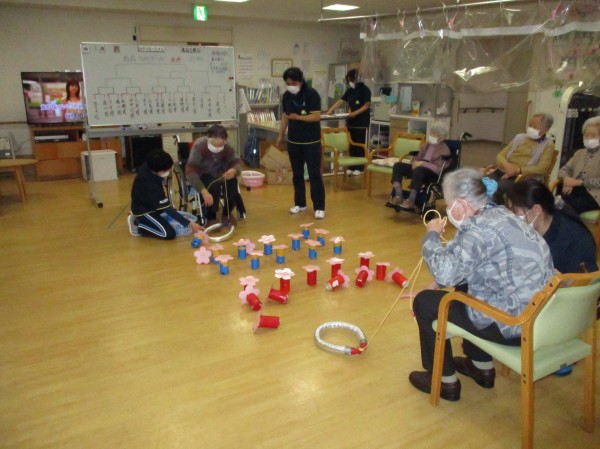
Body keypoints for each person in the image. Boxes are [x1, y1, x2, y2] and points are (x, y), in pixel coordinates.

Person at [409, 168, 553, 402]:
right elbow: (473, 265)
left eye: (449, 204)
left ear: (461, 203)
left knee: (424, 303)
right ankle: (481, 367)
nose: (448, 210)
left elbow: (446, 273)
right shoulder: (503, 215)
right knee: (466, 288)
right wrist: (437, 283)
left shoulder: (478, 229)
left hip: (515, 325)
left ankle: (443, 381)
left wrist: (431, 236)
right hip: (542, 318)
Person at [507, 178, 598, 274]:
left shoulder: (574, 241)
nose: (511, 215)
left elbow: (580, 280)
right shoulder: (538, 228)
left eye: (514, 211)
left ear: (536, 210)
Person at [275, 67, 326, 220]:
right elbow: (285, 116)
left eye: (292, 83)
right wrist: (280, 135)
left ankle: (319, 207)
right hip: (294, 141)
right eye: (287, 83)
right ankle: (300, 203)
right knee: (297, 174)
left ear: (300, 81)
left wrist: (298, 117)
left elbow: (316, 116)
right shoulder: (286, 96)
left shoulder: (311, 94)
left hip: (311, 141)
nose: (290, 86)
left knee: (314, 173)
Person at [129, 150, 203, 240]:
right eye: (166, 170)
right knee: (168, 234)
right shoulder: (150, 184)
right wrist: (189, 224)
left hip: (153, 205)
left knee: (173, 216)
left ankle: (148, 221)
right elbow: (167, 208)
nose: (169, 171)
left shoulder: (149, 165)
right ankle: (138, 225)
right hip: (144, 211)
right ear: (157, 170)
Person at [487, 112, 555, 204]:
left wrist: (518, 170)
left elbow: (542, 168)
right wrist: (506, 165)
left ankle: (498, 210)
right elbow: (500, 155)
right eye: (530, 125)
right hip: (504, 170)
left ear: (546, 129)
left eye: (535, 127)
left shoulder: (548, 145)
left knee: (497, 188)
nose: (531, 128)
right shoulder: (520, 137)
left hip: (523, 176)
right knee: (482, 183)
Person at [185, 124, 242, 227]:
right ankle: (211, 217)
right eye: (215, 146)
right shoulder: (199, 146)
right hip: (204, 173)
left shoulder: (227, 146)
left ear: (225, 141)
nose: (218, 148)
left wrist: (234, 170)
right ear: (209, 138)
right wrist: (203, 191)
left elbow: (236, 162)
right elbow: (191, 171)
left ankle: (227, 214)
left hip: (222, 173)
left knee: (232, 183)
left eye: (221, 146)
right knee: (213, 186)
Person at [387, 122, 450, 211]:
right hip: (419, 168)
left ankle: (411, 201)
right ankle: (398, 195)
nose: (432, 136)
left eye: (435, 134)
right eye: (431, 133)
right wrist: (415, 162)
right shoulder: (427, 144)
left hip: (431, 173)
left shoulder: (445, 150)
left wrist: (422, 163)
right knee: (398, 166)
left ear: (442, 137)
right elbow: (418, 156)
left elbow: (438, 169)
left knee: (419, 170)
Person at [326, 68, 371, 176]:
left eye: (350, 80)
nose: (349, 82)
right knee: (351, 145)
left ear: (356, 79)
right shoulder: (350, 90)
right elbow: (341, 100)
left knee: (359, 145)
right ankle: (351, 166)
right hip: (351, 122)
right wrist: (331, 109)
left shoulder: (365, 90)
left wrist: (355, 113)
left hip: (361, 122)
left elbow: (366, 106)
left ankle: (360, 167)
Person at [556, 116, 600, 214]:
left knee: (566, 208)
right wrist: (567, 180)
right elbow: (563, 170)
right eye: (586, 135)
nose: (588, 138)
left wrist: (579, 182)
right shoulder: (579, 153)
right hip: (573, 190)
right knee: (553, 204)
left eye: (593, 135)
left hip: (594, 195)